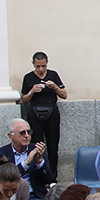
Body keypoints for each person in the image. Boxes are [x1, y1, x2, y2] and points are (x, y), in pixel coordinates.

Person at [0, 119, 53, 200]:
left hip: (34, 195)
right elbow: (5, 178)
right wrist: (26, 163)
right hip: (10, 196)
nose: (27, 136)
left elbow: (48, 179)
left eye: (29, 132)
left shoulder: (37, 149)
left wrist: (39, 162)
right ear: (10, 136)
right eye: (22, 133)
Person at [20, 52, 66, 182]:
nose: (41, 69)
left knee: (53, 146)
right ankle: (38, 176)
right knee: (36, 145)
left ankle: (52, 178)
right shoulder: (28, 77)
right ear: (33, 64)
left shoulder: (53, 75)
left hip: (51, 111)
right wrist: (32, 91)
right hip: (35, 112)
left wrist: (55, 87)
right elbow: (24, 100)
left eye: (43, 66)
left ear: (47, 63)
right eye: (38, 66)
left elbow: (64, 95)